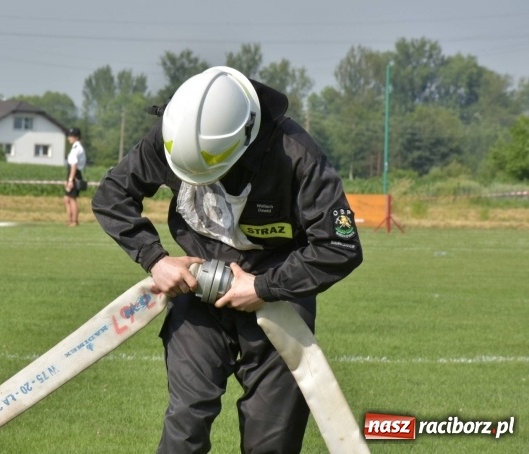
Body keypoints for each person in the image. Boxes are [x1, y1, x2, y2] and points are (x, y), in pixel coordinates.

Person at [91, 66, 363, 453]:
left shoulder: (296, 155)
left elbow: (340, 246)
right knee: (186, 421)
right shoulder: (175, 135)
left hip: (277, 298)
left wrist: (263, 287)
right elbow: (112, 195)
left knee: (272, 440)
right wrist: (156, 259)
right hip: (197, 290)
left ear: (244, 137)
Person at [63, 127, 86, 227]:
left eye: (71, 136)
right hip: (72, 173)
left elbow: (74, 165)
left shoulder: (77, 148)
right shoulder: (75, 147)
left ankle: (74, 221)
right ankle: (69, 220)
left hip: (74, 174)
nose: (69, 138)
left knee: (72, 198)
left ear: (76, 137)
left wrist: (71, 180)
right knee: (67, 198)